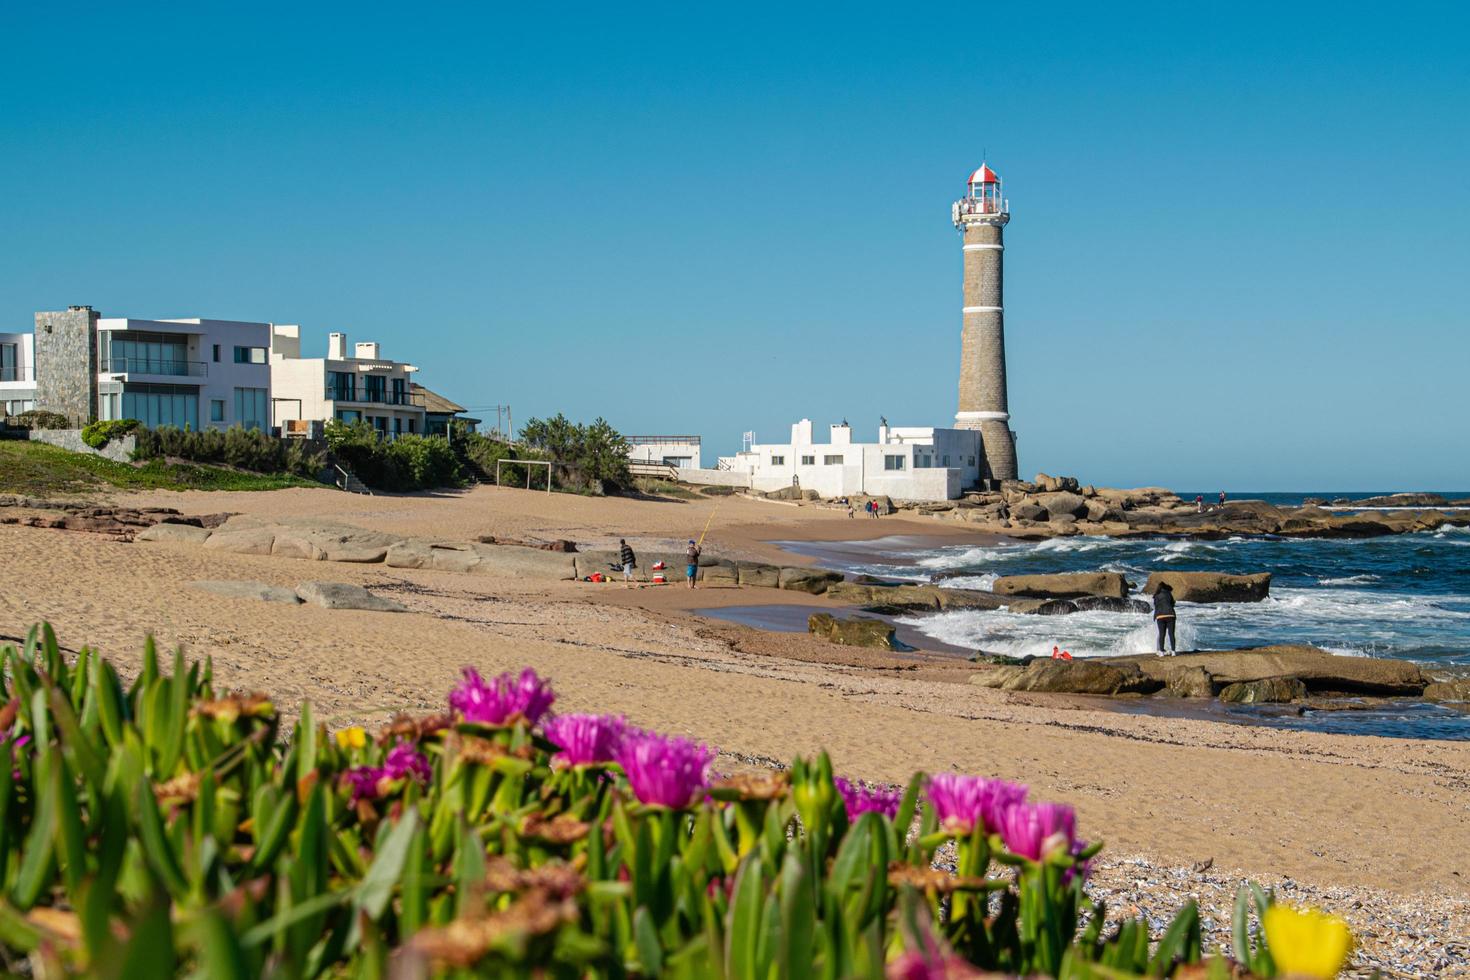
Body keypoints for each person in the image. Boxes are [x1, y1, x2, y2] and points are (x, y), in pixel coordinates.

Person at [1152, 582, 1177, 655]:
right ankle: (1173, 651)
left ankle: (1161, 652)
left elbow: (1156, 606)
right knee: (1171, 634)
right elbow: (1172, 604)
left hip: (1160, 616)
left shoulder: (1156, 595)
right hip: (1170, 615)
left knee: (1162, 634)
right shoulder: (1169, 594)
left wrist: (1155, 616)